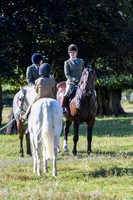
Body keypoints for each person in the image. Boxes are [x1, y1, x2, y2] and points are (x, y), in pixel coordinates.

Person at [62, 44, 84, 114]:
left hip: (81, 82)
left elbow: (84, 71)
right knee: (67, 92)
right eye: (70, 52)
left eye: (73, 52)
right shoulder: (67, 62)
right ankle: (63, 107)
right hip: (71, 82)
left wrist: (82, 80)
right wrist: (74, 79)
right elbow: (67, 74)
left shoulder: (81, 61)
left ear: (76, 53)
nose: (72, 54)